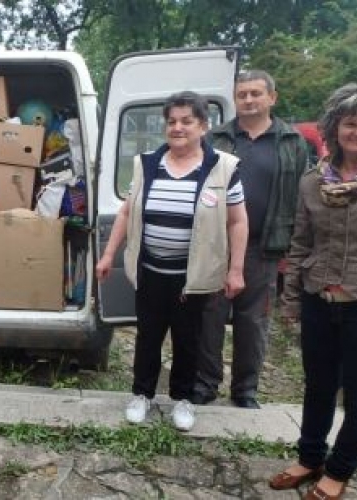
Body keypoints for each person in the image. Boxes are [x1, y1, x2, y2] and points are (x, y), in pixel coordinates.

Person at [95, 91, 248, 431]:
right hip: (151, 271)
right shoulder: (148, 163)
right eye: (172, 122)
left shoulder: (221, 167)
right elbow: (126, 211)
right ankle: (142, 395)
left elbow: (238, 221)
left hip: (192, 277)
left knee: (188, 339)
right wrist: (108, 255)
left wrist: (236, 269)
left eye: (186, 121)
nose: (177, 128)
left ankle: (183, 400)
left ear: (203, 126)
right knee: (148, 336)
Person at [269, 83, 357, 500]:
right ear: (334, 128)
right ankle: (310, 457)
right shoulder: (312, 181)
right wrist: (291, 301)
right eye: (350, 123)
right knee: (317, 385)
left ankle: (338, 471)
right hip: (320, 298)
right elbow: (301, 243)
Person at [193, 70, 310, 409]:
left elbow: (303, 197)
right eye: (242, 94)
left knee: (253, 323)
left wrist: (296, 247)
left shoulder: (292, 142)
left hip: (264, 248)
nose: (248, 100)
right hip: (216, 246)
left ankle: (245, 390)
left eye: (256, 93)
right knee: (210, 319)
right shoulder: (216, 138)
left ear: (272, 98)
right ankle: (205, 385)